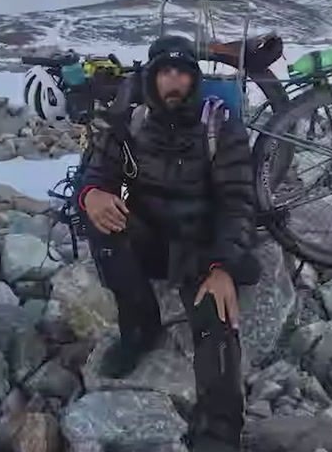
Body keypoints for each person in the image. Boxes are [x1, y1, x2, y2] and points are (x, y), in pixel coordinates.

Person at [76, 34, 261, 451]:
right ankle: (141, 327)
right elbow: (94, 177)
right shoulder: (128, 119)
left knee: (216, 322)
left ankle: (218, 433)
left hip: (201, 247)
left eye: (182, 71)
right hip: (149, 236)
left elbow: (238, 204)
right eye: (165, 71)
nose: (173, 80)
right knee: (101, 226)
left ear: (194, 79)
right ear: (151, 77)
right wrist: (93, 196)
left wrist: (222, 266)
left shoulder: (220, 124)